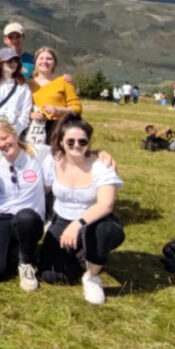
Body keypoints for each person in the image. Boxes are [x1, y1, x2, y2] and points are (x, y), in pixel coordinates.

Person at [39, 117, 125, 305]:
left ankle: (92, 276)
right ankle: (84, 255)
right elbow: (41, 189)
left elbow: (106, 205)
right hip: (62, 218)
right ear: (61, 142)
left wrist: (78, 225)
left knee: (102, 231)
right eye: (70, 141)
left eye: (82, 141)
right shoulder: (52, 161)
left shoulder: (101, 165)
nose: (76, 145)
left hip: (95, 221)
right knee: (52, 275)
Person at [0, 120, 46, 291]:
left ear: (14, 134)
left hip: (29, 217)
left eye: (4, 138)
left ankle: (26, 263)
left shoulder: (38, 154)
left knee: (26, 218)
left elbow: (67, 155)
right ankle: (14, 251)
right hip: (0, 215)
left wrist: (99, 154)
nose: (2, 144)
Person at [28, 46, 81, 145]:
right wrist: (30, 114)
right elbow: (22, 107)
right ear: (35, 62)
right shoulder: (28, 84)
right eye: (41, 58)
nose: (45, 61)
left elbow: (77, 108)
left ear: (54, 62)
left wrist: (58, 110)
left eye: (49, 59)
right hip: (35, 129)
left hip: (59, 128)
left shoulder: (64, 81)